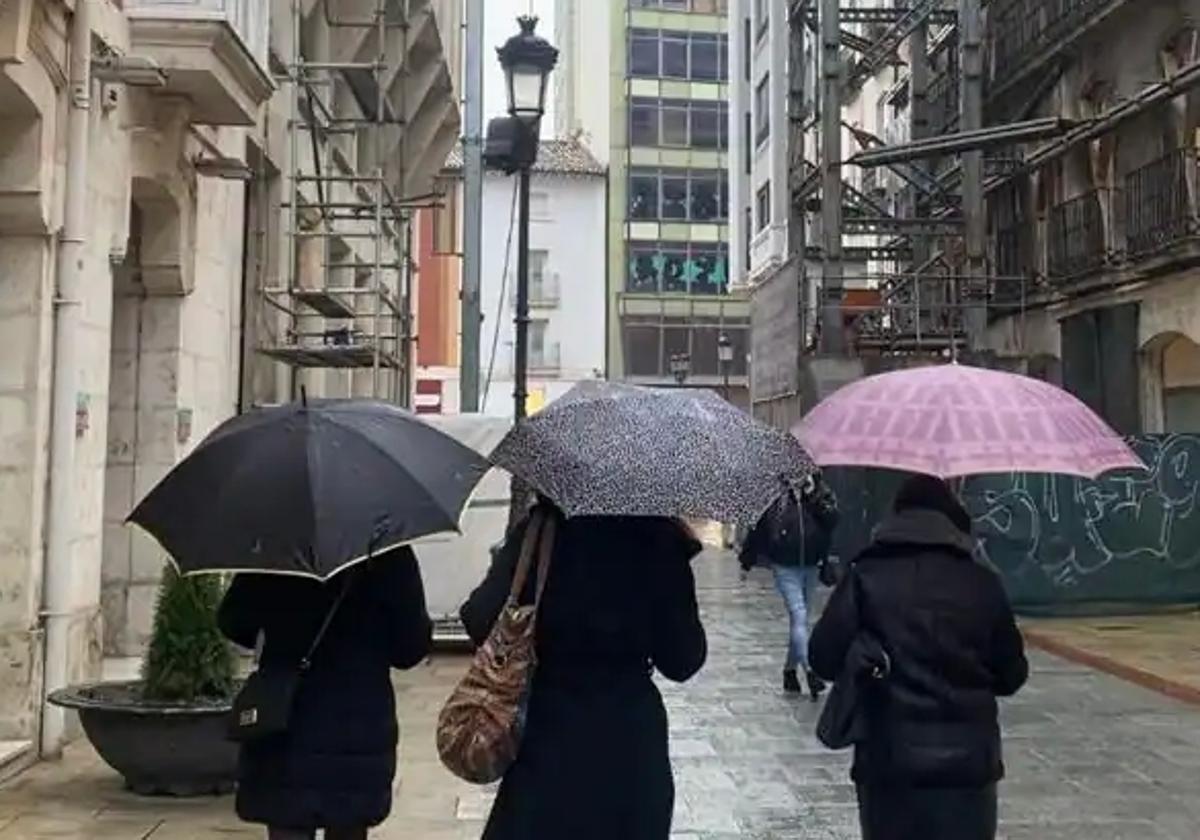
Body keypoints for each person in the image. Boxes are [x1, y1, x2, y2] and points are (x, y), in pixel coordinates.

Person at [460, 501, 707, 840]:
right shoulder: (660, 537)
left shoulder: (541, 530)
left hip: (548, 737)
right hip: (629, 747)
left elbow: (478, 618)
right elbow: (684, 660)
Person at [809, 474, 1029, 840]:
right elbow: (1012, 676)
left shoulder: (866, 575)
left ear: (895, 517)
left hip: (888, 765)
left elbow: (822, 658)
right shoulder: (981, 582)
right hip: (969, 770)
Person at [218, 547, 433, 840]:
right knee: (349, 823)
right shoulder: (389, 553)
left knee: (286, 821)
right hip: (358, 724)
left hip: (286, 718)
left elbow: (232, 621)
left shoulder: (276, 548)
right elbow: (410, 649)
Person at [740, 472, 839, 699]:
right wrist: (747, 560)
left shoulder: (819, 490)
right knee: (799, 615)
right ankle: (810, 670)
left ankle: (789, 671)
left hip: (812, 565)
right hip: (784, 566)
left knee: (800, 621)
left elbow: (833, 520)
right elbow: (759, 526)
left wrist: (812, 495)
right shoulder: (776, 494)